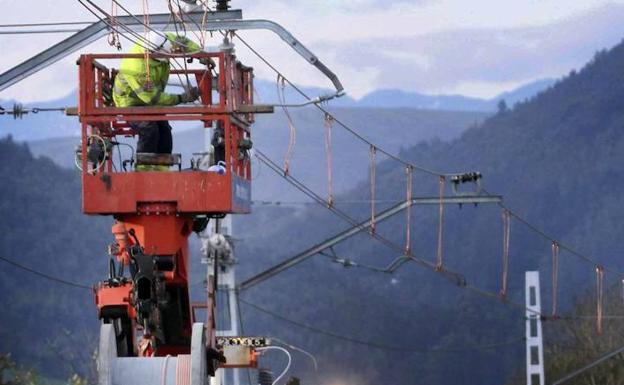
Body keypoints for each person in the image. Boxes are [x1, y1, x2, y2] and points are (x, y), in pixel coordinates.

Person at [112, 32, 203, 170]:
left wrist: (200, 53)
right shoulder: (136, 67)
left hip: (148, 100)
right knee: (148, 128)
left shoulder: (162, 41)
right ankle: (143, 170)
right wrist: (182, 98)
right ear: (154, 54)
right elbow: (152, 98)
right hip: (129, 102)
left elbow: (182, 41)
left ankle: (162, 169)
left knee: (164, 129)